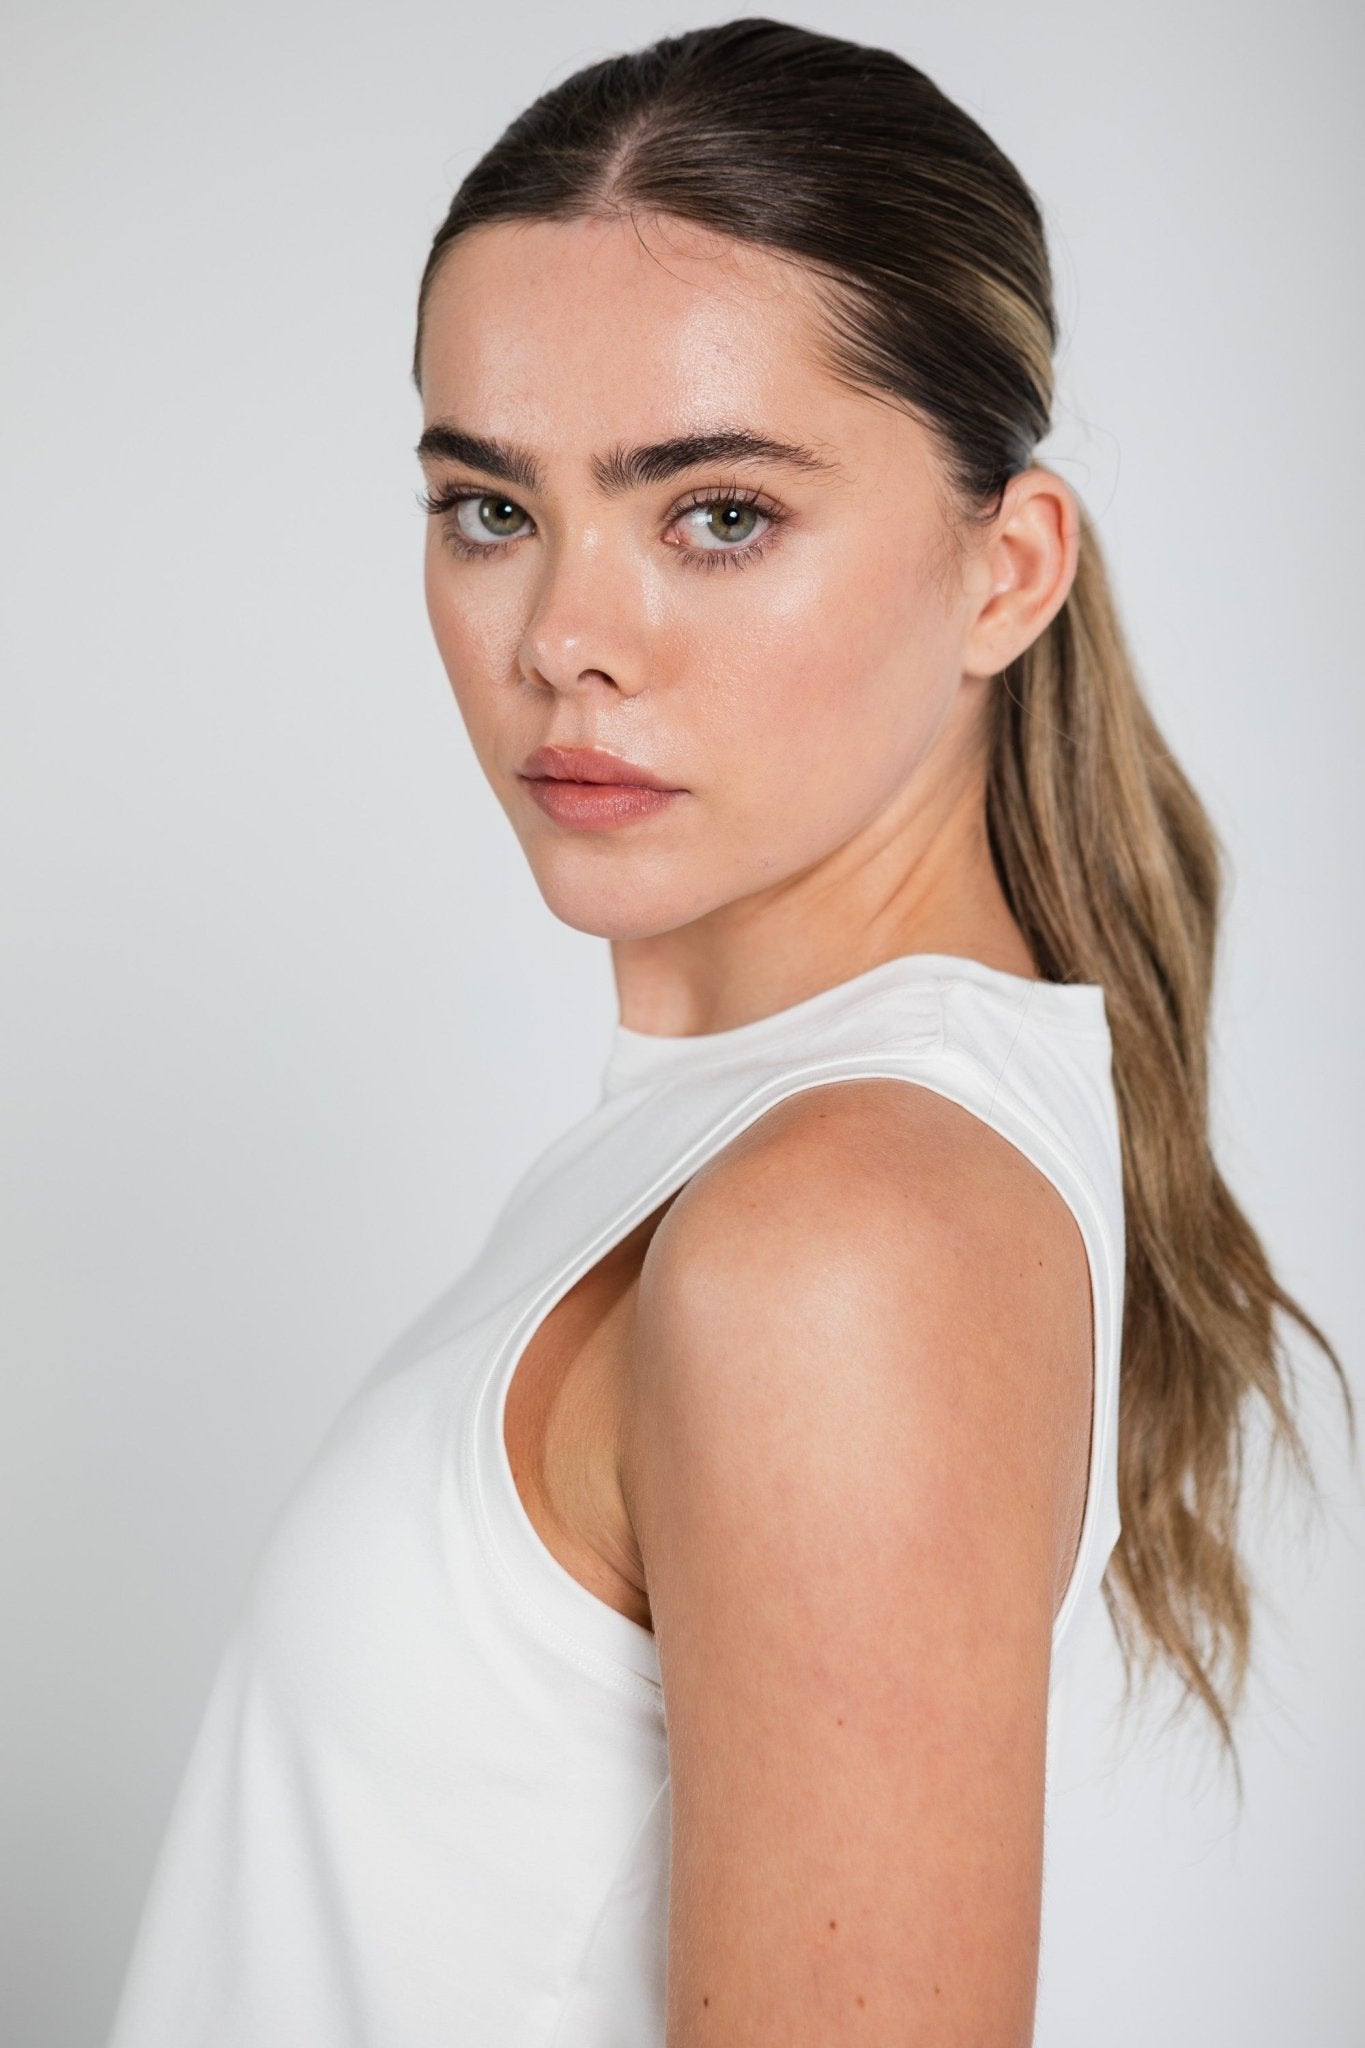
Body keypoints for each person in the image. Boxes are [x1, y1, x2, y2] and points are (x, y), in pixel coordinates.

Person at [106, 17, 1351, 2046]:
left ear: (999, 570)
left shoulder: (840, 1233)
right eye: (488, 507)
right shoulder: (768, 1147)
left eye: (713, 514)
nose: (561, 638)